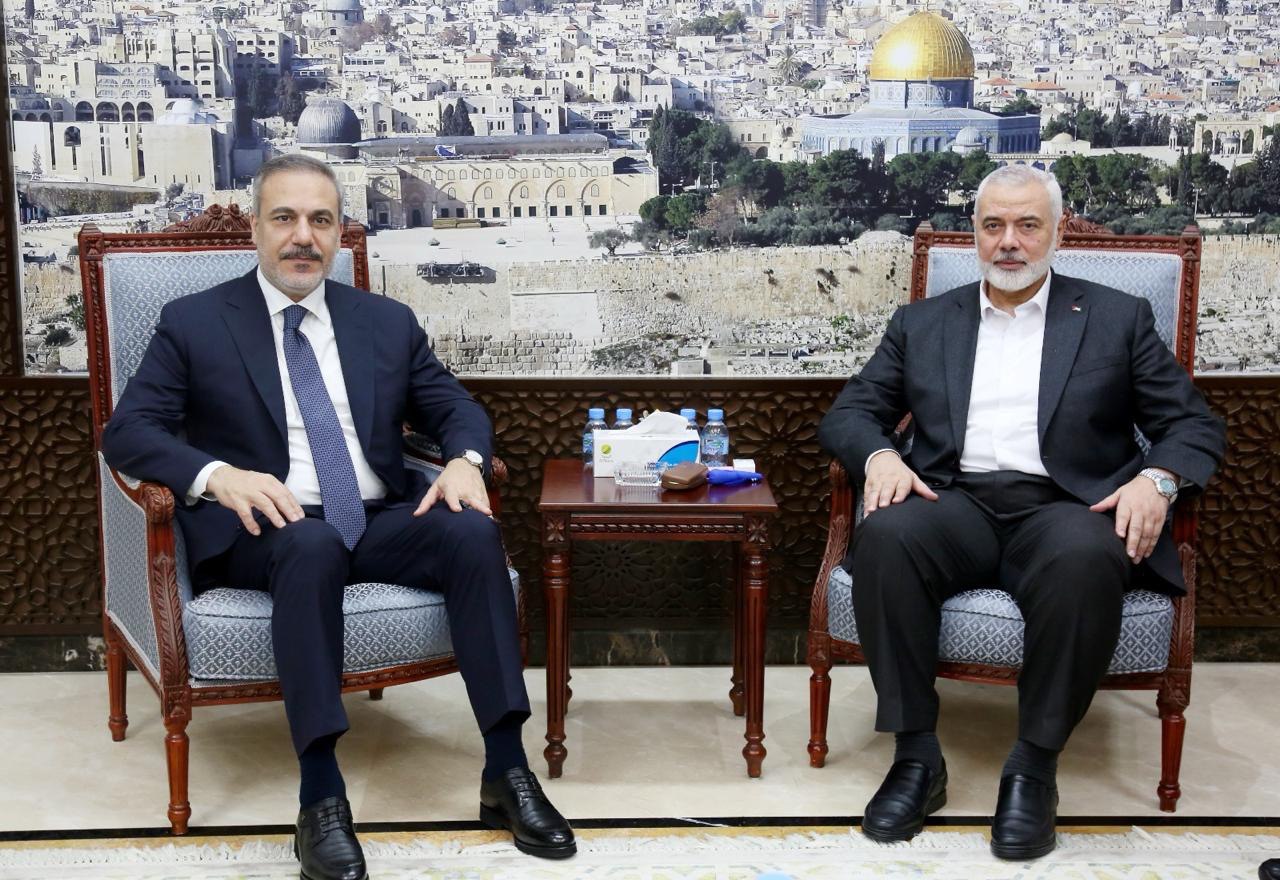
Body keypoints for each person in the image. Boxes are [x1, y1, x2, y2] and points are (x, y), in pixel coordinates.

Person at [101, 154, 575, 880]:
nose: (303, 236)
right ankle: (320, 796)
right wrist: (218, 476)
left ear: (338, 231)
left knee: (472, 532)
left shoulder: (384, 322)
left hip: (375, 516)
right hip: (265, 531)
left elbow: (455, 408)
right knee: (312, 545)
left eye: (320, 220)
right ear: (256, 229)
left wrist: (465, 462)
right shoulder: (194, 322)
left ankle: (506, 772)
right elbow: (128, 432)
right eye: (285, 218)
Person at [818, 164, 1225, 860]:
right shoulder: (923, 322)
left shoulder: (1117, 318)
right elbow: (851, 413)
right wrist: (880, 457)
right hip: (954, 501)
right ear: (975, 234)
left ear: (1056, 233)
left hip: (1067, 507)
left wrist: (1157, 480)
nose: (1010, 241)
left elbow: (1193, 425)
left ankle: (1033, 769)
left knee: (1087, 559)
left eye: (1027, 225)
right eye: (994, 225)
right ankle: (916, 758)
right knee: (885, 537)